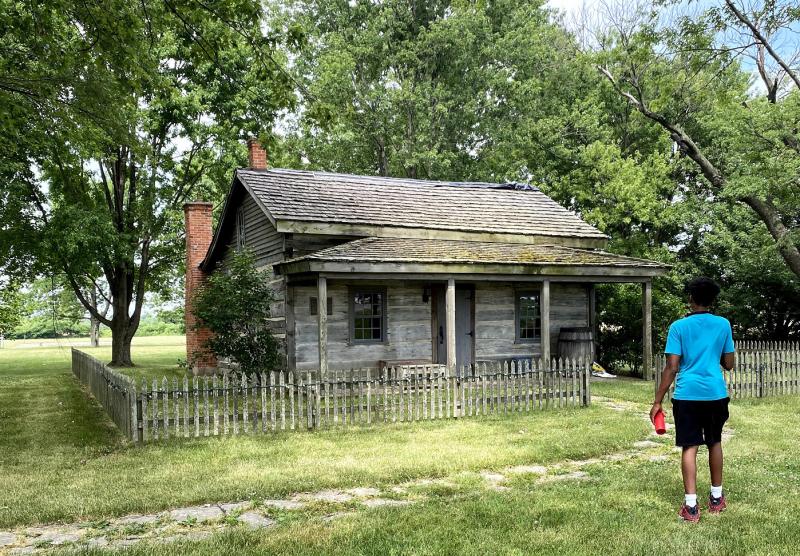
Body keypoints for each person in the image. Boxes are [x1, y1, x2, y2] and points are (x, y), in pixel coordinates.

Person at [650, 277, 735, 523]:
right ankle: (717, 499)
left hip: (687, 395)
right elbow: (729, 364)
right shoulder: (723, 324)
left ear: (691, 299)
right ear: (712, 300)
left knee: (690, 446)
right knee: (715, 442)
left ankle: (691, 506)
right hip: (715, 394)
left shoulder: (678, 327)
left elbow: (672, 366)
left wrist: (658, 401)